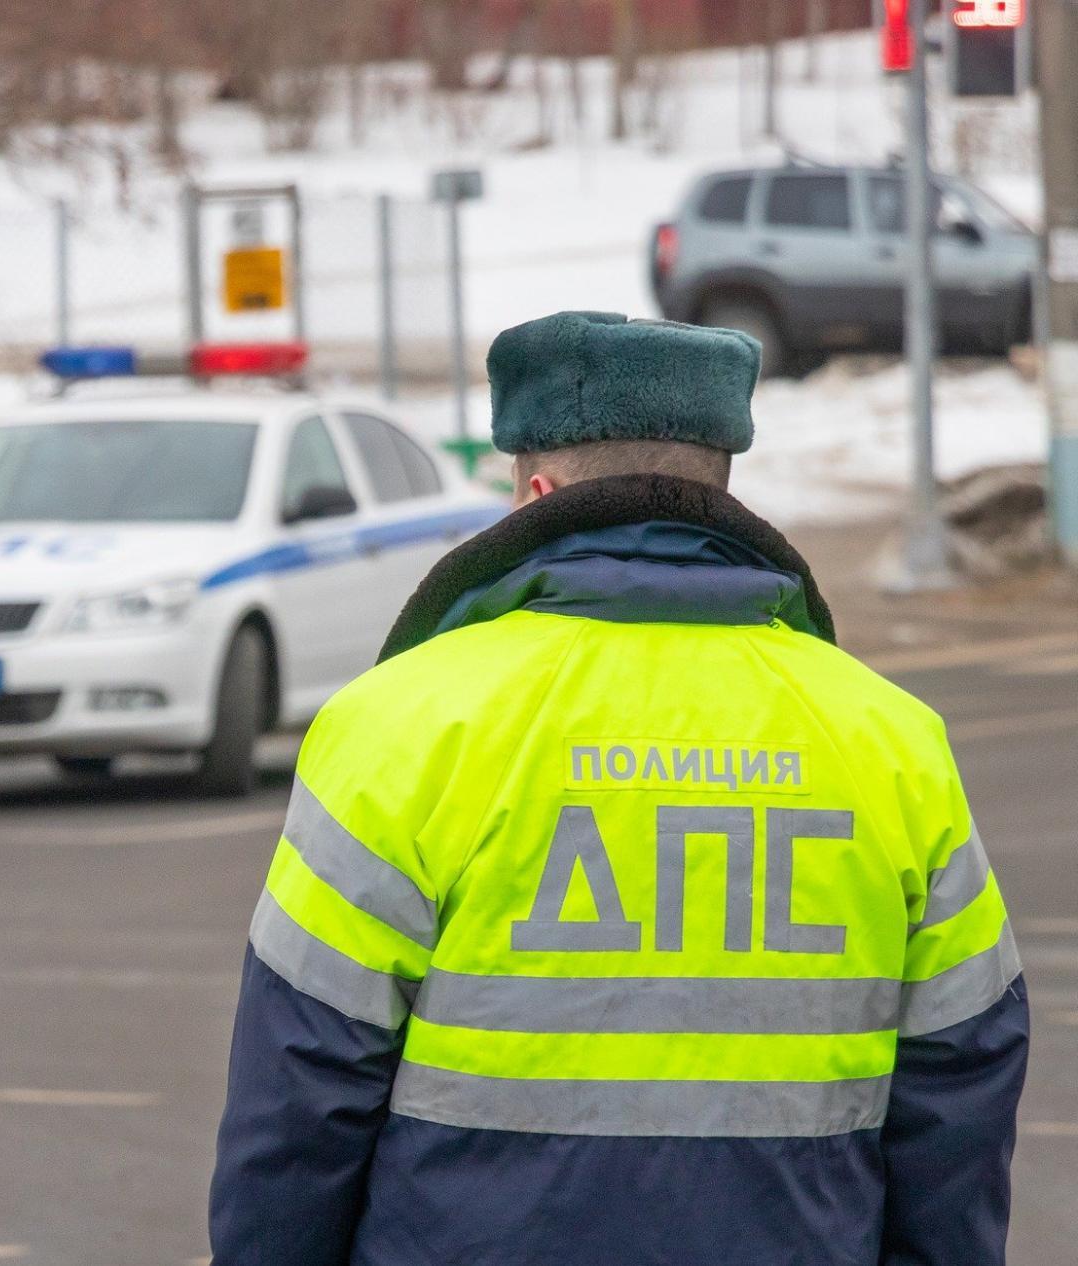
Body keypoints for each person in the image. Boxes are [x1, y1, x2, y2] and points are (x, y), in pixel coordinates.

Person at [209, 311, 1027, 1265]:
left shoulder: (399, 726)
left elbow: (299, 1094)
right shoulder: (892, 742)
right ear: (719, 486)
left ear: (537, 492)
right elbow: (963, 1081)